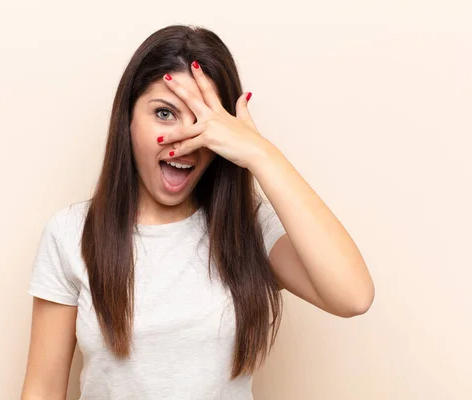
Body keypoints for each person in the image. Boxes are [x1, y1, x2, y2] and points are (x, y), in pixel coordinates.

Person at [20, 24, 375, 400]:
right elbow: (42, 388)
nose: (183, 140)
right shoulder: (71, 233)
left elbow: (352, 296)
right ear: (127, 119)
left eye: (203, 121)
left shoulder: (249, 228)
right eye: (165, 113)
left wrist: (260, 153)